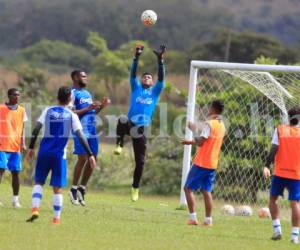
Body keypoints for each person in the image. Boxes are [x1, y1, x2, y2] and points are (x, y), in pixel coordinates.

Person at [26, 87, 96, 224]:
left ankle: (35, 209)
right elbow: (81, 136)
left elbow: (36, 129)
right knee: (57, 188)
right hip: (59, 155)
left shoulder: (48, 110)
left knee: (39, 182)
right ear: (70, 98)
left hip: (44, 152)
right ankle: (56, 218)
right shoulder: (72, 115)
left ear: (57, 97)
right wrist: (90, 154)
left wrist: (31, 147)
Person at [113, 44, 166, 201]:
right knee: (122, 119)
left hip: (142, 130)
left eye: (149, 77)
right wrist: (136, 56)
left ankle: (135, 188)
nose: (146, 78)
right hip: (130, 124)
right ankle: (119, 144)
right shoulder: (136, 88)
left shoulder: (155, 92)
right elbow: (132, 73)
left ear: (152, 82)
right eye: (144, 76)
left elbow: (162, 77)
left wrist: (160, 59)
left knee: (141, 162)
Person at [68, 70, 110, 206]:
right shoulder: (72, 93)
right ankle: (73, 189)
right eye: (83, 76)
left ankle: (82, 188)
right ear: (75, 77)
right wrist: (87, 108)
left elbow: (92, 111)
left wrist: (101, 107)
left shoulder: (87, 93)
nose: (86, 78)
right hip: (80, 129)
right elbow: (70, 113)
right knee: (83, 158)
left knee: (94, 158)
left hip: (91, 129)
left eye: (86, 76)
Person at [182, 100, 225, 226]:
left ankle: (193, 218)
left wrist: (189, 140)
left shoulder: (209, 123)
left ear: (213, 109)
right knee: (206, 191)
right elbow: (209, 139)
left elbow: (201, 141)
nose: (208, 109)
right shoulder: (222, 125)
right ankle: (208, 220)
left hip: (202, 162)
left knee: (187, 188)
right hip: (212, 163)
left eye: (210, 107)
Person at [263, 107, 300, 244]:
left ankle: (277, 229)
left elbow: (274, 149)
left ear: (288, 117)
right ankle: (294, 236)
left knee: (273, 199)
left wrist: (266, 165)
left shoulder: (280, 130)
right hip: (296, 174)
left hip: (280, 172)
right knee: (295, 203)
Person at [0, 88, 27, 208]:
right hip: (2, 145)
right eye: (15, 95)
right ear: (9, 96)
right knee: (0, 171)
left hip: (15, 146)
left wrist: (23, 142)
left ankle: (15, 200)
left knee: (15, 172)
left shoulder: (22, 110)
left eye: (18, 95)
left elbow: (23, 127)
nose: (17, 97)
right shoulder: (1, 108)